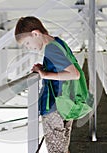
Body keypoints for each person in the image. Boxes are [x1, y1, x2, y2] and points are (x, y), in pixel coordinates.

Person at [15, 16, 80, 153]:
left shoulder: (51, 49)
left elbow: (74, 74)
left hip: (54, 107)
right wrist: (45, 68)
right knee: (62, 148)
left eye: (27, 43)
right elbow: (62, 69)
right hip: (65, 103)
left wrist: (44, 74)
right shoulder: (57, 42)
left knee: (56, 151)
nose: (29, 48)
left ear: (35, 34)